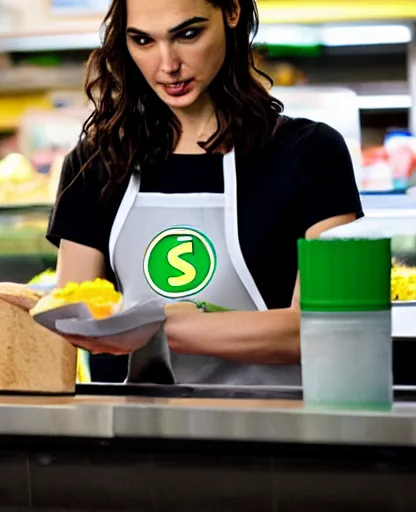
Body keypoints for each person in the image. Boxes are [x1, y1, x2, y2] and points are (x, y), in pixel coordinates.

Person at [46, 0, 364, 385]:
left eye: (188, 34)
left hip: (277, 431)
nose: (167, 65)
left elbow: (327, 325)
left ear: (231, 12)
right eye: (143, 41)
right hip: (131, 433)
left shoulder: (310, 153)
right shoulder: (97, 163)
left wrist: (162, 326)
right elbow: (69, 316)